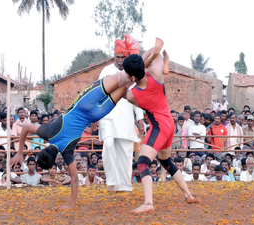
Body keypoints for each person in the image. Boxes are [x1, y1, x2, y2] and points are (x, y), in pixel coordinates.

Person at [10, 59, 137, 210]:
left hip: (96, 113)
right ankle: (148, 59)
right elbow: (25, 128)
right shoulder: (47, 132)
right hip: (86, 100)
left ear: (54, 162)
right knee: (124, 76)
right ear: (43, 150)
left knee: (128, 84)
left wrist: (70, 205)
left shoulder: (66, 152)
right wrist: (19, 152)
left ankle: (148, 69)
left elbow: (75, 179)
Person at [124, 39, 197, 213]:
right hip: (170, 125)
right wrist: (153, 55)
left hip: (159, 127)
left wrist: (142, 64)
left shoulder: (132, 95)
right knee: (165, 161)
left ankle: (148, 203)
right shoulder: (156, 73)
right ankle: (188, 195)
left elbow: (127, 87)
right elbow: (155, 52)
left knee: (142, 162)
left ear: (132, 77)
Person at [98, 34, 144, 192]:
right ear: (113, 56)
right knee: (108, 144)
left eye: (122, 57)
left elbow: (138, 95)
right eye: (117, 57)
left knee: (125, 151)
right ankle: (111, 181)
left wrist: (140, 118)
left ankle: (124, 186)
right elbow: (99, 93)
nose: (119, 60)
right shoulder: (105, 71)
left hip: (125, 116)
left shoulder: (132, 72)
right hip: (107, 115)